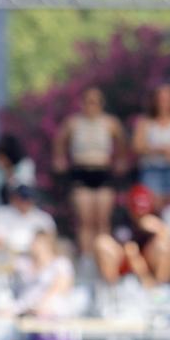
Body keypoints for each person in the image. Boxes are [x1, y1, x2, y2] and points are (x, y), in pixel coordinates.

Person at [53, 87, 126, 262]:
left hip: (102, 172)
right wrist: (60, 158)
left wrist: (121, 161)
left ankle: (104, 258)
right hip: (81, 172)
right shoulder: (74, 123)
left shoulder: (110, 123)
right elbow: (59, 140)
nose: (91, 105)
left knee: (102, 219)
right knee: (85, 220)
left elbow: (122, 143)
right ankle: (87, 258)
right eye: (88, 101)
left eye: (95, 102)